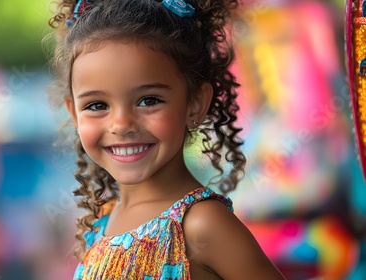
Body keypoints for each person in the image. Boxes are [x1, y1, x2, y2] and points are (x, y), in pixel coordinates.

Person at [48, 0, 286, 279]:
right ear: (74, 113)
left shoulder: (202, 225)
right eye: (97, 105)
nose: (121, 124)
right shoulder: (104, 219)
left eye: (149, 100)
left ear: (195, 104)